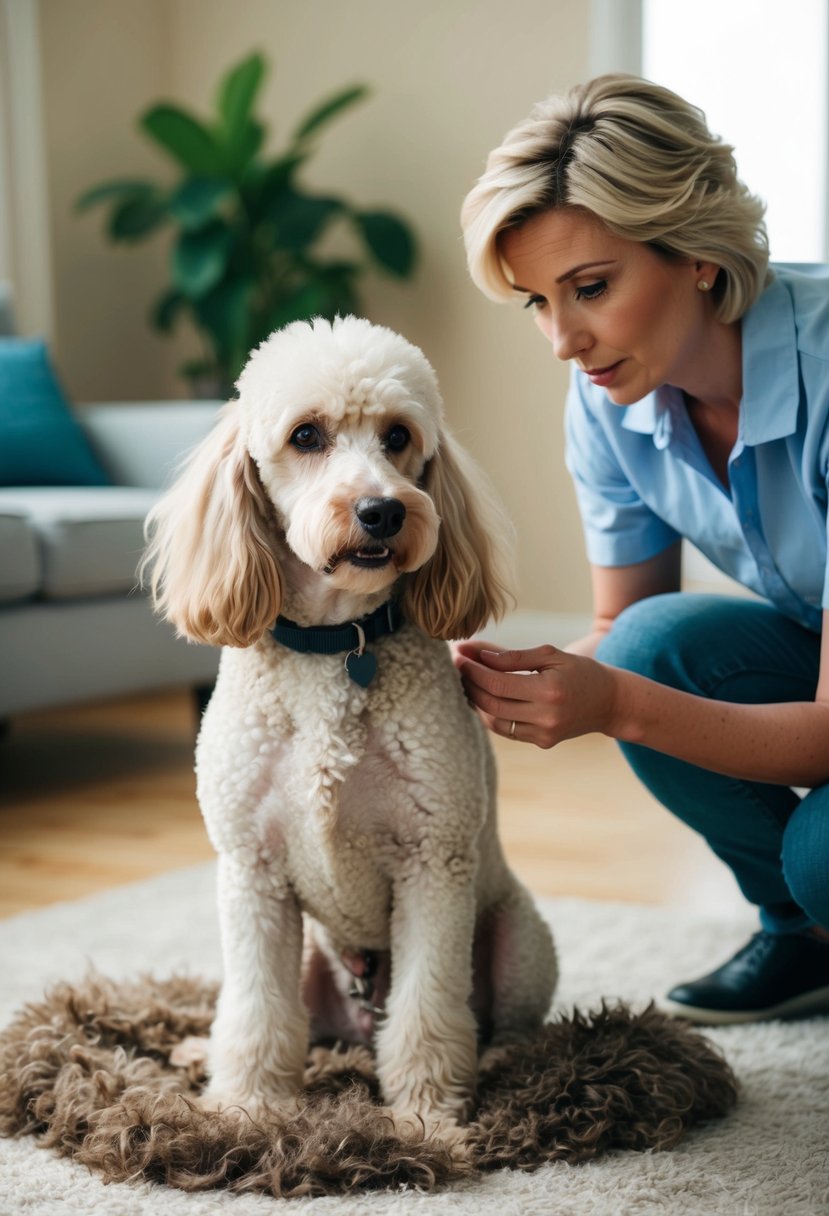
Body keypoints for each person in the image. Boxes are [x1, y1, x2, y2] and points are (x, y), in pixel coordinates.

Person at [455, 73, 829, 1025]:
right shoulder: (609, 395)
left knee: (821, 854)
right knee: (650, 644)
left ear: (696, 254)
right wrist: (495, 681)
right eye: (535, 302)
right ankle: (802, 938)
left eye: (589, 288)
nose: (561, 340)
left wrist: (612, 703)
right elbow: (623, 633)